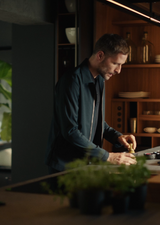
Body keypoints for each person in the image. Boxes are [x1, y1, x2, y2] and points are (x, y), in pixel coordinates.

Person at [45, 33, 137, 174]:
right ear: (100, 56)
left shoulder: (99, 80)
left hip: (85, 165)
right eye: (115, 63)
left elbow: (94, 120)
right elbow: (71, 131)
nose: (119, 70)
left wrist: (117, 137)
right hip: (64, 167)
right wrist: (108, 156)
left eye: (121, 65)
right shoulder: (72, 81)